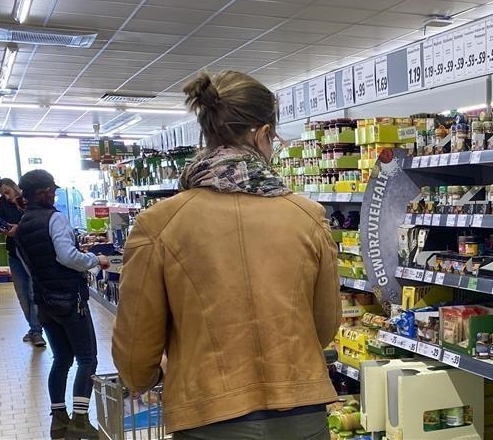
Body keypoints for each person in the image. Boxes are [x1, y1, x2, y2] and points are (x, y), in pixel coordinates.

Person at [113, 70, 342, 440]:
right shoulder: (307, 216)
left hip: (207, 416)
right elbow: (325, 322)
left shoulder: (158, 224)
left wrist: (148, 377)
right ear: (264, 134)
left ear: (207, 131)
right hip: (301, 414)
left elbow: (136, 345)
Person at [13, 169, 110, 440]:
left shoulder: (22, 225)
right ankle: (80, 421)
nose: (55, 195)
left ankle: (58, 421)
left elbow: (29, 267)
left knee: (62, 359)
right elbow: (67, 256)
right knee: (87, 359)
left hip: (44, 303)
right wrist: (94, 259)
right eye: (53, 191)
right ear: (43, 192)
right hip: (70, 301)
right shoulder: (54, 218)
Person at [0, 177, 46, 347]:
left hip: (33, 254)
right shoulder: (3, 204)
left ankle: (37, 331)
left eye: (8, 192)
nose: (7, 197)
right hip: (14, 254)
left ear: (15, 186)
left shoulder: (29, 200)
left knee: (33, 294)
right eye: (3, 194)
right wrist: (3, 228)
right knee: (23, 296)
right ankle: (34, 329)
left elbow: (40, 222)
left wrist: (19, 228)